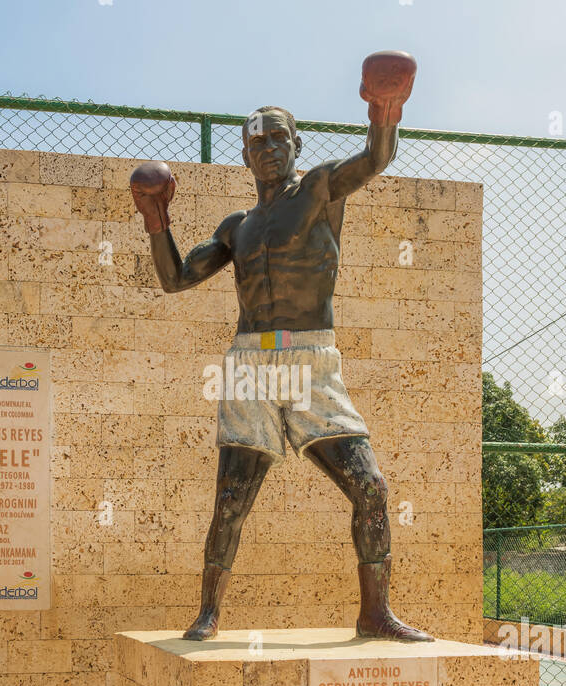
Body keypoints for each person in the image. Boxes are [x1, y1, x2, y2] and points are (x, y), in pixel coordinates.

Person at [130, 51, 434, 644]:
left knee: (370, 485)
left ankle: (375, 612)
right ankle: (209, 614)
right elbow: (175, 279)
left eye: (277, 138)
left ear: (295, 145)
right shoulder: (236, 226)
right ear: (244, 156)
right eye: (256, 142)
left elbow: (374, 159)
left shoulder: (320, 188)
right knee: (231, 498)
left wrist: (383, 111)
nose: (267, 148)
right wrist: (155, 218)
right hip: (250, 362)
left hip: (311, 357)